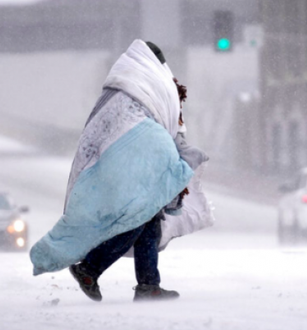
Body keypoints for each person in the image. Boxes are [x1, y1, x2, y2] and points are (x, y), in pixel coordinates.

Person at [30, 40, 211, 302]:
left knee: (148, 219)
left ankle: (148, 284)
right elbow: (162, 122)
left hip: (116, 162)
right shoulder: (151, 85)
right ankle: (90, 269)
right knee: (137, 218)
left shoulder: (120, 88)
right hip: (132, 162)